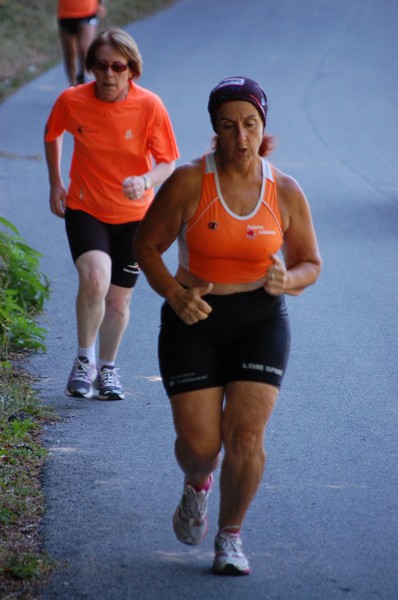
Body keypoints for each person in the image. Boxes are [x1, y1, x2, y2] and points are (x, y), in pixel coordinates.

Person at [133, 76, 322, 575]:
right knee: (201, 447)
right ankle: (198, 484)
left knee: (245, 437)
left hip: (259, 318)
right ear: (215, 130)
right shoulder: (191, 181)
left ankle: (231, 536)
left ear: (264, 128)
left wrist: (288, 279)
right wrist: (174, 294)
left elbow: (310, 263)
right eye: (229, 126)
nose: (241, 137)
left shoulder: (285, 190)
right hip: (193, 318)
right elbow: (145, 245)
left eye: (251, 125)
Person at [44, 27, 179, 401]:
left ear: (131, 70)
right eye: (101, 65)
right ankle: (84, 361)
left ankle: (108, 368)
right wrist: (56, 183)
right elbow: (52, 132)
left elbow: (168, 161)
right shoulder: (72, 100)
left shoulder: (150, 105)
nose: (108, 74)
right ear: (90, 67)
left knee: (119, 301)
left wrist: (146, 179)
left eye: (118, 66)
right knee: (94, 278)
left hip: (135, 217)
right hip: (86, 207)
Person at [57, 0, 107, 86]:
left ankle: (82, 77)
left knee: (85, 48)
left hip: (88, 11)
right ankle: (72, 85)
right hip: (66, 13)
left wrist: (101, 3)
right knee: (70, 53)